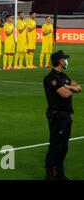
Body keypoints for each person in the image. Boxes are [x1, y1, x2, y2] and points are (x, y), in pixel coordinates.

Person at [43, 50, 81, 180]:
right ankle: (49, 173)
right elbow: (65, 94)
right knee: (55, 145)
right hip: (57, 116)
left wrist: (68, 86)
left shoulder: (63, 76)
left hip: (65, 117)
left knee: (64, 146)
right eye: (64, 59)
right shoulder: (51, 78)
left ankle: (59, 173)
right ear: (60, 61)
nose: (66, 61)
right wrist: (70, 88)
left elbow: (78, 87)